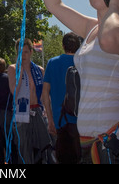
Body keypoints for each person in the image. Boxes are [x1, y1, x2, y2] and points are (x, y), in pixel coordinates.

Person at [29, 0, 119, 164]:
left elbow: (110, 39)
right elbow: (55, 5)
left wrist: (115, 8)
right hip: (87, 144)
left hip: (118, 147)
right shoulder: (91, 28)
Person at [8, 38, 51, 164]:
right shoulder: (13, 68)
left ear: (31, 52)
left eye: (26, 52)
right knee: (24, 148)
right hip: (21, 112)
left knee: (43, 146)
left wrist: (49, 115)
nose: (23, 55)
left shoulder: (39, 70)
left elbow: (44, 95)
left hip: (37, 110)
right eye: (20, 52)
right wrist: (20, 73)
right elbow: (14, 92)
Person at [42, 32, 82, 163]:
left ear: (63, 46)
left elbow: (45, 94)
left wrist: (50, 119)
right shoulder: (83, 62)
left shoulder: (52, 63)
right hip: (81, 120)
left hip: (59, 119)